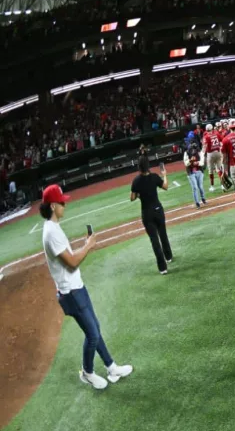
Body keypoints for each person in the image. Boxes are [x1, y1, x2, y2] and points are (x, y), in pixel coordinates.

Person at [40, 184, 133, 390]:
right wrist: (89, 245)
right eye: (62, 202)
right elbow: (72, 262)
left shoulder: (53, 228)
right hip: (70, 292)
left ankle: (111, 367)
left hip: (76, 287)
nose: (65, 204)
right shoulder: (51, 232)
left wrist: (84, 246)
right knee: (92, 334)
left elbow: (69, 259)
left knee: (95, 329)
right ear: (53, 206)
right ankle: (88, 372)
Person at [130, 156, 174, 274]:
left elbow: (132, 198)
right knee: (163, 234)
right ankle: (168, 257)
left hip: (147, 213)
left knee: (154, 240)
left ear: (139, 167)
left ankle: (162, 268)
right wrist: (164, 174)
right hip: (158, 209)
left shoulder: (136, 181)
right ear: (148, 165)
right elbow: (165, 187)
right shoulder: (154, 176)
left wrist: (140, 195)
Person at [184, 140, 207, 209]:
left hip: (199, 171)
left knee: (200, 187)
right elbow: (186, 163)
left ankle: (203, 198)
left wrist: (197, 163)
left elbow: (202, 162)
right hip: (191, 173)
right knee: (195, 188)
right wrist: (190, 161)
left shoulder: (199, 152)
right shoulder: (186, 153)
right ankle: (197, 203)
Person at [202, 123, 224, 192]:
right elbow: (222, 141)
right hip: (218, 152)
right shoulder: (217, 134)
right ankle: (222, 185)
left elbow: (204, 146)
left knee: (210, 171)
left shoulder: (206, 136)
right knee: (219, 169)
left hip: (210, 154)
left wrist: (202, 154)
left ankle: (212, 186)